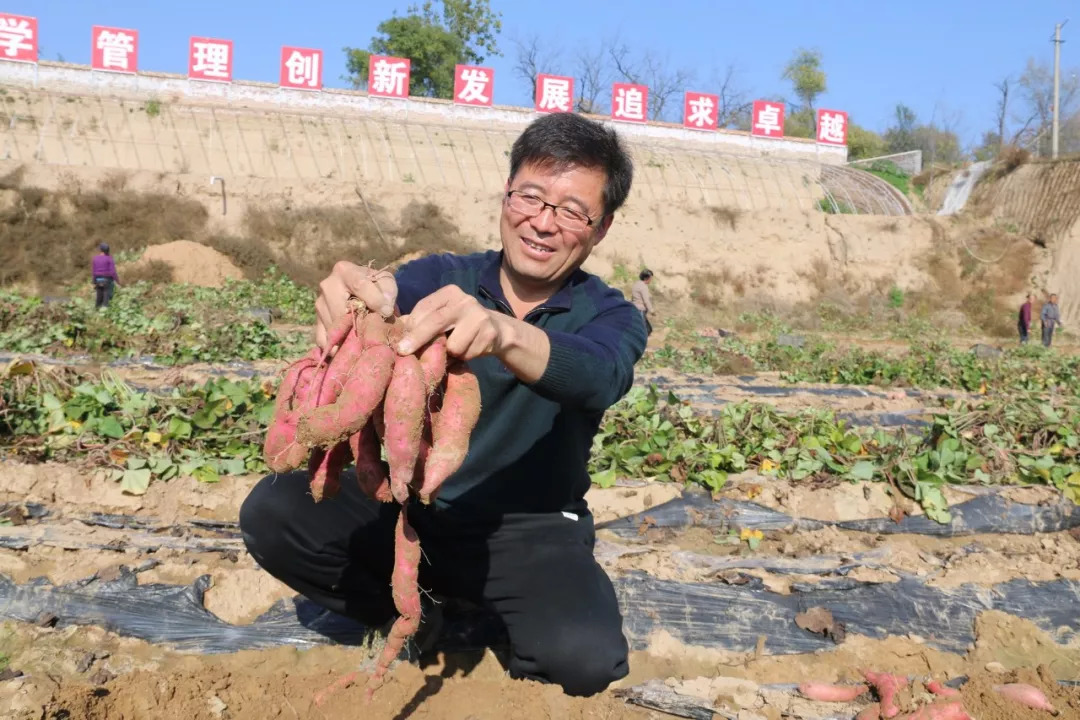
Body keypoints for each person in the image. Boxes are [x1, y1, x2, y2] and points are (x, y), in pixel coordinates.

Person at [238, 112, 647, 697]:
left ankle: (491, 616)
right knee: (275, 513)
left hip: (528, 529)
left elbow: (600, 375)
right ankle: (412, 614)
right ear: (506, 195)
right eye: (529, 196)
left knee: (584, 661)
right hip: (408, 500)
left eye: (572, 211)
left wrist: (503, 333)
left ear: (601, 228)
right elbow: (384, 302)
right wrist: (356, 302)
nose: (542, 222)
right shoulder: (439, 276)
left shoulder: (612, 315)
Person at [91, 243, 120, 309]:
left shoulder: (95, 259)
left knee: (99, 297)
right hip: (107, 280)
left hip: (98, 280)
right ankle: (105, 310)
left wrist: (94, 281)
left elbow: (94, 271)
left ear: (100, 250)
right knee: (106, 295)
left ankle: (96, 310)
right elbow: (113, 272)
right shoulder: (109, 258)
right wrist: (117, 281)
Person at [630, 269, 655, 335]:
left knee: (647, 329)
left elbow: (633, 297)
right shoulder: (643, 287)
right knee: (644, 330)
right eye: (650, 278)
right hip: (640, 310)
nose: (651, 280)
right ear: (646, 278)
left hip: (635, 308)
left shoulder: (636, 284)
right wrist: (652, 311)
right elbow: (646, 301)